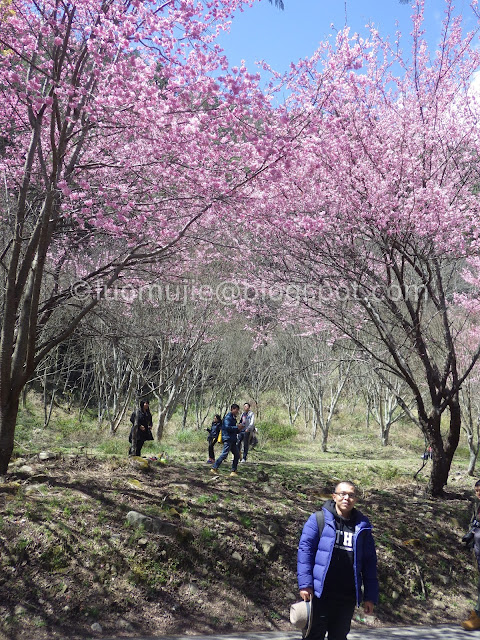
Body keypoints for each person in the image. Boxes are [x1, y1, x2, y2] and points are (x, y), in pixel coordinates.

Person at [297, 481, 379, 640]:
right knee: (313, 636)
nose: (346, 498)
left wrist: (370, 596)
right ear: (334, 497)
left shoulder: (362, 526)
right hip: (320, 594)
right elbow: (305, 553)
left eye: (351, 495)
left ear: (356, 499)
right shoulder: (318, 519)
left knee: (339, 637)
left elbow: (369, 562)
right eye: (342, 494)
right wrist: (305, 585)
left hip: (346, 596)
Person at [461, 480, 480, 630]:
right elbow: (475, 526)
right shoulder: (478, 506)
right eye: (476, 491)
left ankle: (478, 615)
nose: (478, 493)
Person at [210, 404, 243, 477]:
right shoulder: (228, 417)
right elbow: (227, 427)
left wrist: (239, 429)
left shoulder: (233, 418)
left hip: (232, 439)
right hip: (228, 439)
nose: (237, 411)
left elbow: (233, 429)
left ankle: (233, 471)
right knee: (224, 454)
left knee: (237, 455)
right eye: (236, 410)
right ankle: (214, 468)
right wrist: (237, 427)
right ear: (232, 409)